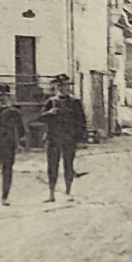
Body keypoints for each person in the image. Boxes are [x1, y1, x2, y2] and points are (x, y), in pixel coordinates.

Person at [38, 74, 88, 202]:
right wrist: (49, 113)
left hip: (69, 139)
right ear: (55, 86)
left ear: (68, 87)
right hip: (53, 139)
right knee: (52, 166)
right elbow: (40, 118)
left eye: (64, 85)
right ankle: (51, 194)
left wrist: (79, 138)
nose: (62, 88)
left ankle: (68, 192)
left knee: (68, 165)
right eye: (59, 85)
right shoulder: (50, 102)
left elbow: (81, 122)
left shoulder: (75, 103)